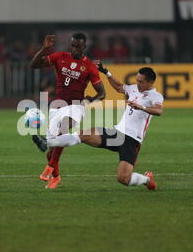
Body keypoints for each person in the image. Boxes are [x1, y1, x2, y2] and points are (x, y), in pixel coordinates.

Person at [38, 62, 164, 190]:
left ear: (150, 82)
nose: (138, 84)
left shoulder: (156, 96)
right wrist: (106, 72)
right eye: (137, 80)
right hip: (117, 133)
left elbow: (159, 111)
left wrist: (141, 107)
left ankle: (147, 179)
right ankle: (47, 142)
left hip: (132, 140)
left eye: (141, 82)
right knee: (84, 134)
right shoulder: (134, 88)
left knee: (123, 179)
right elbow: (119, 87)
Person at [30, 33, 106, 189]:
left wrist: (88, 100)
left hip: (76, 106)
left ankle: (48, 159)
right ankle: (56, 177)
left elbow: (102, 93)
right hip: (57, 106)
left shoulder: (90, 66)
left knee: (64, 128)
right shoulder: (60, 57)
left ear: (84, 47)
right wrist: (44, 49)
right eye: (72, 45)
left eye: (78, 46)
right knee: (51, 153)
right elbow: (33, 65)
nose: (74, 49)